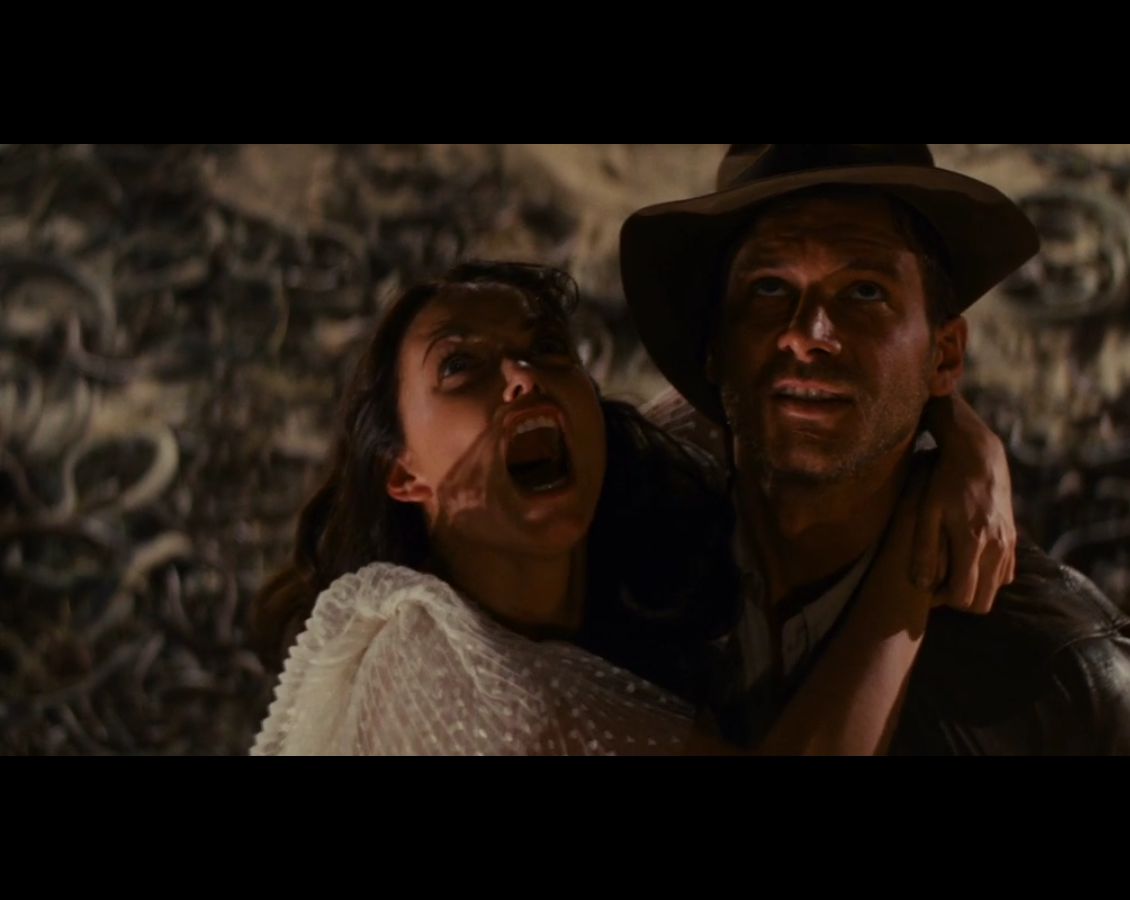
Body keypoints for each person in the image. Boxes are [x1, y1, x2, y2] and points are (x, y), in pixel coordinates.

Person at [246, 260, 1013, 755]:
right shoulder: (419, 657)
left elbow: (793, 382)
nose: (521, 374)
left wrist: (964, 436)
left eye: (547, 348)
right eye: (460, 366)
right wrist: (917, 545)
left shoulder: (625, 467)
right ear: (403, 473)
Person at [620, 143, 1130, 754]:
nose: (807, 334)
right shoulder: (623, 576)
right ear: (713, 346)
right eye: (770, 287)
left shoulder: (1061, 677)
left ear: (945, 356)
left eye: (864, 292)